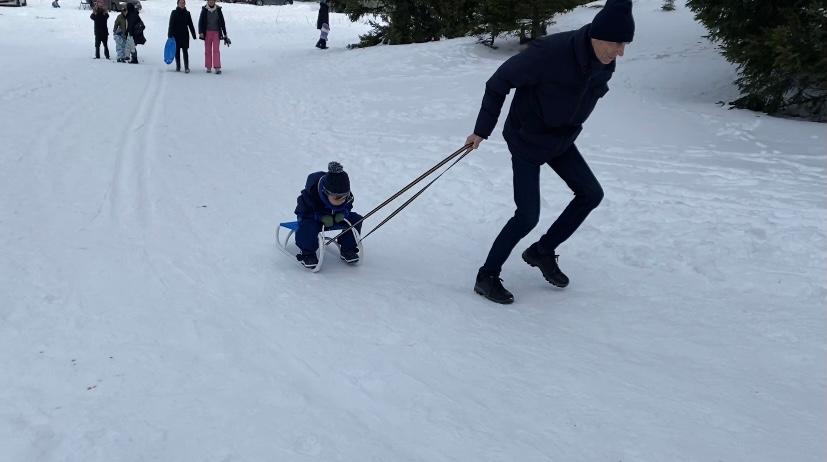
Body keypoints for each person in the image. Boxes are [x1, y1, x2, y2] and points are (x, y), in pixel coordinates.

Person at [465, 0, 634, 304]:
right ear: (598, 35)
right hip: (526, 137)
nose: (621, 51)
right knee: (528, 215)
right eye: (618, 43)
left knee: (590, 194)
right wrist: (482, 130)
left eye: (625, 44)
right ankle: (486, 276)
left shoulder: (605, 61)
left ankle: (541, 252)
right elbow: (498, 82)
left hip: (561, 140)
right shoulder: (550, 53)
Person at [294, 162, 363, 269]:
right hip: (314, 218)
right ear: (325, 193)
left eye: (344, 197)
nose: (342, 201)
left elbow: (348, 205)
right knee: (308, 226)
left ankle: (348, 249)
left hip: (336, 217)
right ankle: (307, 254)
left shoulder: (346, 195)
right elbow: (303, 212)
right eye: (337, 198)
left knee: (356, 219)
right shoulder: (312, 194)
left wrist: (343, 213)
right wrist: (320, 217)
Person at [198, 0, 228, 74]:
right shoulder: (204, 9)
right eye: (209, 0)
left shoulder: (218, 9)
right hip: (207, 33)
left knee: (216, 50)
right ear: (208, 1)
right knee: (207, 50)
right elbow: (200, 21)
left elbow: (222, 22)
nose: (211, 2)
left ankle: (217, 67)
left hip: (216, 33)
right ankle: (208, 67)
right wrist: (201, 32)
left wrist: (225, 33)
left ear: (214, 1)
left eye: (212, 0)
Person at [168, 0, 197, 73]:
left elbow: (190, 24)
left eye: (183, 3)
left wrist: (194, 34)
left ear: (185, 4)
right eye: (180, 3)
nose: (182, 4)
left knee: (185, 51)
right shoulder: (174, 13)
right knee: (176, 51)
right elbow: (171, 24)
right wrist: (169, 35)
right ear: (177, 4)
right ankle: (178, 66)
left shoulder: (187, 13)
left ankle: (186, 67)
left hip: (185, 36)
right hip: (176, 36)